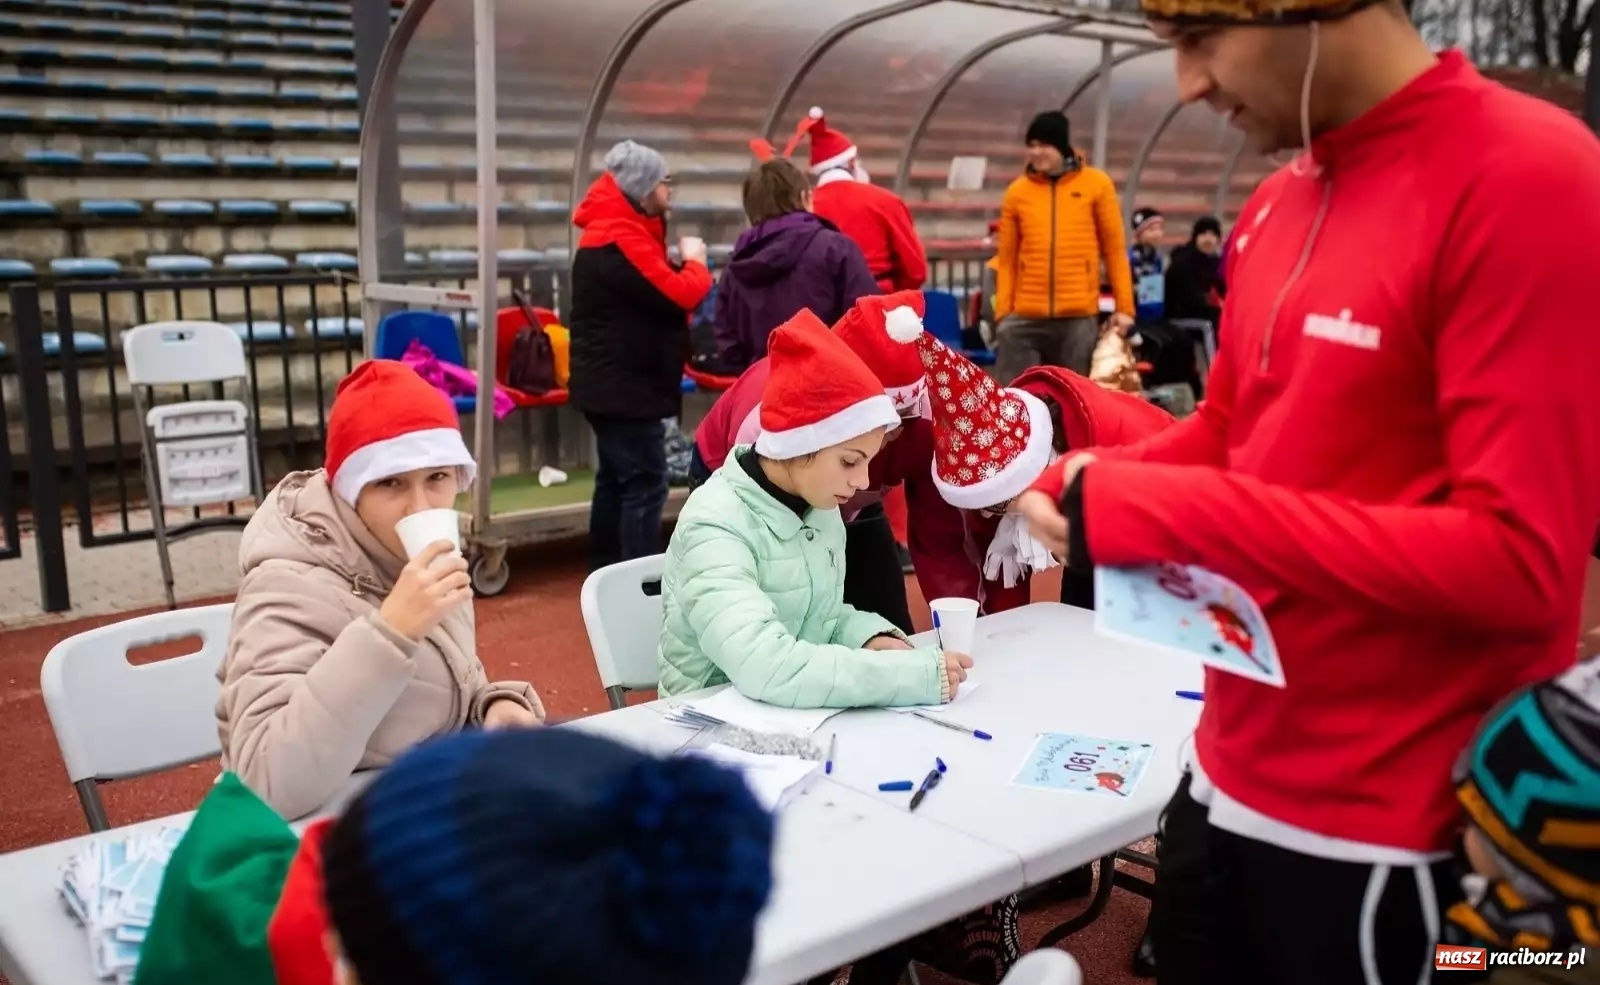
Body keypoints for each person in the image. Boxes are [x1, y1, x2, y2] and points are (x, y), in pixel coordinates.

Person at [1017, 0, 1600, 979]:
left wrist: (1150, 512)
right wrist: (1079, 470)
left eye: (1199, 39)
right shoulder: (1280, 201)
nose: (1187, 84)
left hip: (1393, 835)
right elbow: (1232, 432)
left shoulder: (1534, 176)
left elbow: (1521, 564)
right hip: (1218, 775)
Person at [216, 360, 544, 821]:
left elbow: (438, 686)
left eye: (437, 478)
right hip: (320, 847)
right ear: (349, 492)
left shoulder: (411, 556)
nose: (421, 506)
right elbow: (263, 783)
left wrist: (493, 705)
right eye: (391, 483)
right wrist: (391, 631)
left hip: (419, 814)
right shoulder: (286, 584)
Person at [660, 308, 970, 706]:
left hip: (781, 716)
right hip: (705, 726)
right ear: (799, 445)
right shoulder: (714, 524)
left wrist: (871, 637)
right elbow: (766, 666)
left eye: (868, 461)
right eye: (849, 460)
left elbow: (817, 619)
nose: (863, 481)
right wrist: (902, 676)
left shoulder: (818, 505)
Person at [890, 328, 1172, 614]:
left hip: (1160, 521)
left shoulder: (1115, 437)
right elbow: (997, 570)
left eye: (995, 504)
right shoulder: (997, 470)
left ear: (1024, 473)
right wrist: (995, 632)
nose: (987, 514)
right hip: (1084, 535)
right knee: (1076, 622)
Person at [569, 139, 713, 570]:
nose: (669, 193)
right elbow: (680, 294)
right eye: (665, 183)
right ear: (644, 187)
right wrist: (696, 262)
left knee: (616, 481)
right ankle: (636, 581)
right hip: (625, 387)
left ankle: (604, 568)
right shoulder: (620, 236)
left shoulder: (616, 231)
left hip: (614, 382)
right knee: (646, 484)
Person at [1443, 655, 1600, 985]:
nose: (1462, 828)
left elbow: (1463, 961)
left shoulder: (1546, 964)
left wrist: (1439, 958)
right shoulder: (1554, 938)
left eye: (1477, 818)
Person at [992, 110, 1135, 383]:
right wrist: (1004, 314)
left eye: (1044, 145)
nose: (1036, 152)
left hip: (1078, 317)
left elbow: (1115, 251)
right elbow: (1007, 259)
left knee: (1071, 397)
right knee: (1017, 397)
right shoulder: (1017, 192)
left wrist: (1125, 308)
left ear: (1061, 146)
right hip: (1025, 316)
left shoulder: (1096, 185)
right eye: (1031, 146)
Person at [713, 157, 878, 372]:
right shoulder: (836, 248)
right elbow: (867, 322)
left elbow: (727, 340)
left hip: (764, 390)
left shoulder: (737, 263)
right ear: (803, 197)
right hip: (830, 385)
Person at [775, 107, 928, 294]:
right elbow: (915, 270)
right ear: (850, 162)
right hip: (878, 303)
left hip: (819, 307)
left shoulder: (799, 207)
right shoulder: (885, 201)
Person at [1163, 214, 1223, 326]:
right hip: (1180, 314)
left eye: (1213, 235)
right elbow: (1191, 300)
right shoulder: (1183, 261)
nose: (1208, 240)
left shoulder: (1214, 262)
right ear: (1195, 237)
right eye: (1203, 234)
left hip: (1200, 310)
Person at [1129, 206, 1167, 324]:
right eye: (1151, 230)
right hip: (1135, 317)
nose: (1157, 234)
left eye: (1159, 229)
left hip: (1155, 316)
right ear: (1138, 234)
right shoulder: (1130, 258)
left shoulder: (1157, 259)